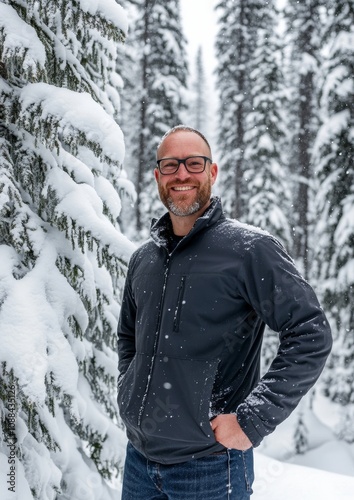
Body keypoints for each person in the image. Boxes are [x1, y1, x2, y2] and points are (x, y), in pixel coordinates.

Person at [117, 125, 332, 499]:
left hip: (211, 468)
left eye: (193, 163)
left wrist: (252, 420)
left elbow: (310, 332)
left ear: (212, 173)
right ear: (157, 176)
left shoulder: (248, 250)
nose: (181, 174)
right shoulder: (143, 260)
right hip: (139, 461)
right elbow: (127, 338)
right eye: (170, 165)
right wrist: (128, 392)